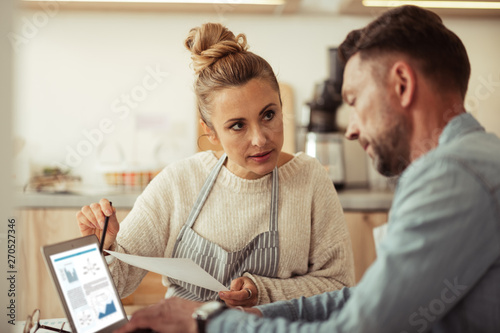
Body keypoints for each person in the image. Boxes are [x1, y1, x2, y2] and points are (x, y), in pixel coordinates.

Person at [114, 5, 500, 333]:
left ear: (401, 84)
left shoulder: (452, 177)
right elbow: (357, 302)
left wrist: (210, 321)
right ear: (210, 133)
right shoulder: (473, 161)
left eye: (354, 100)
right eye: (237, 125)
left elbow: (359, 327)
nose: (350, 128)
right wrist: (248, 314)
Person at [77, 22, 354, 308]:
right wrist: (103, 248)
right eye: (237, 125)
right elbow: (113, 289)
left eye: (269, 115)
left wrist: (263, 292)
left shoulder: (309, 180)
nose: (260, 139)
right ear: (210, 132)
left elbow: (339, 287)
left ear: (282, 109)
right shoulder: (178, 183)